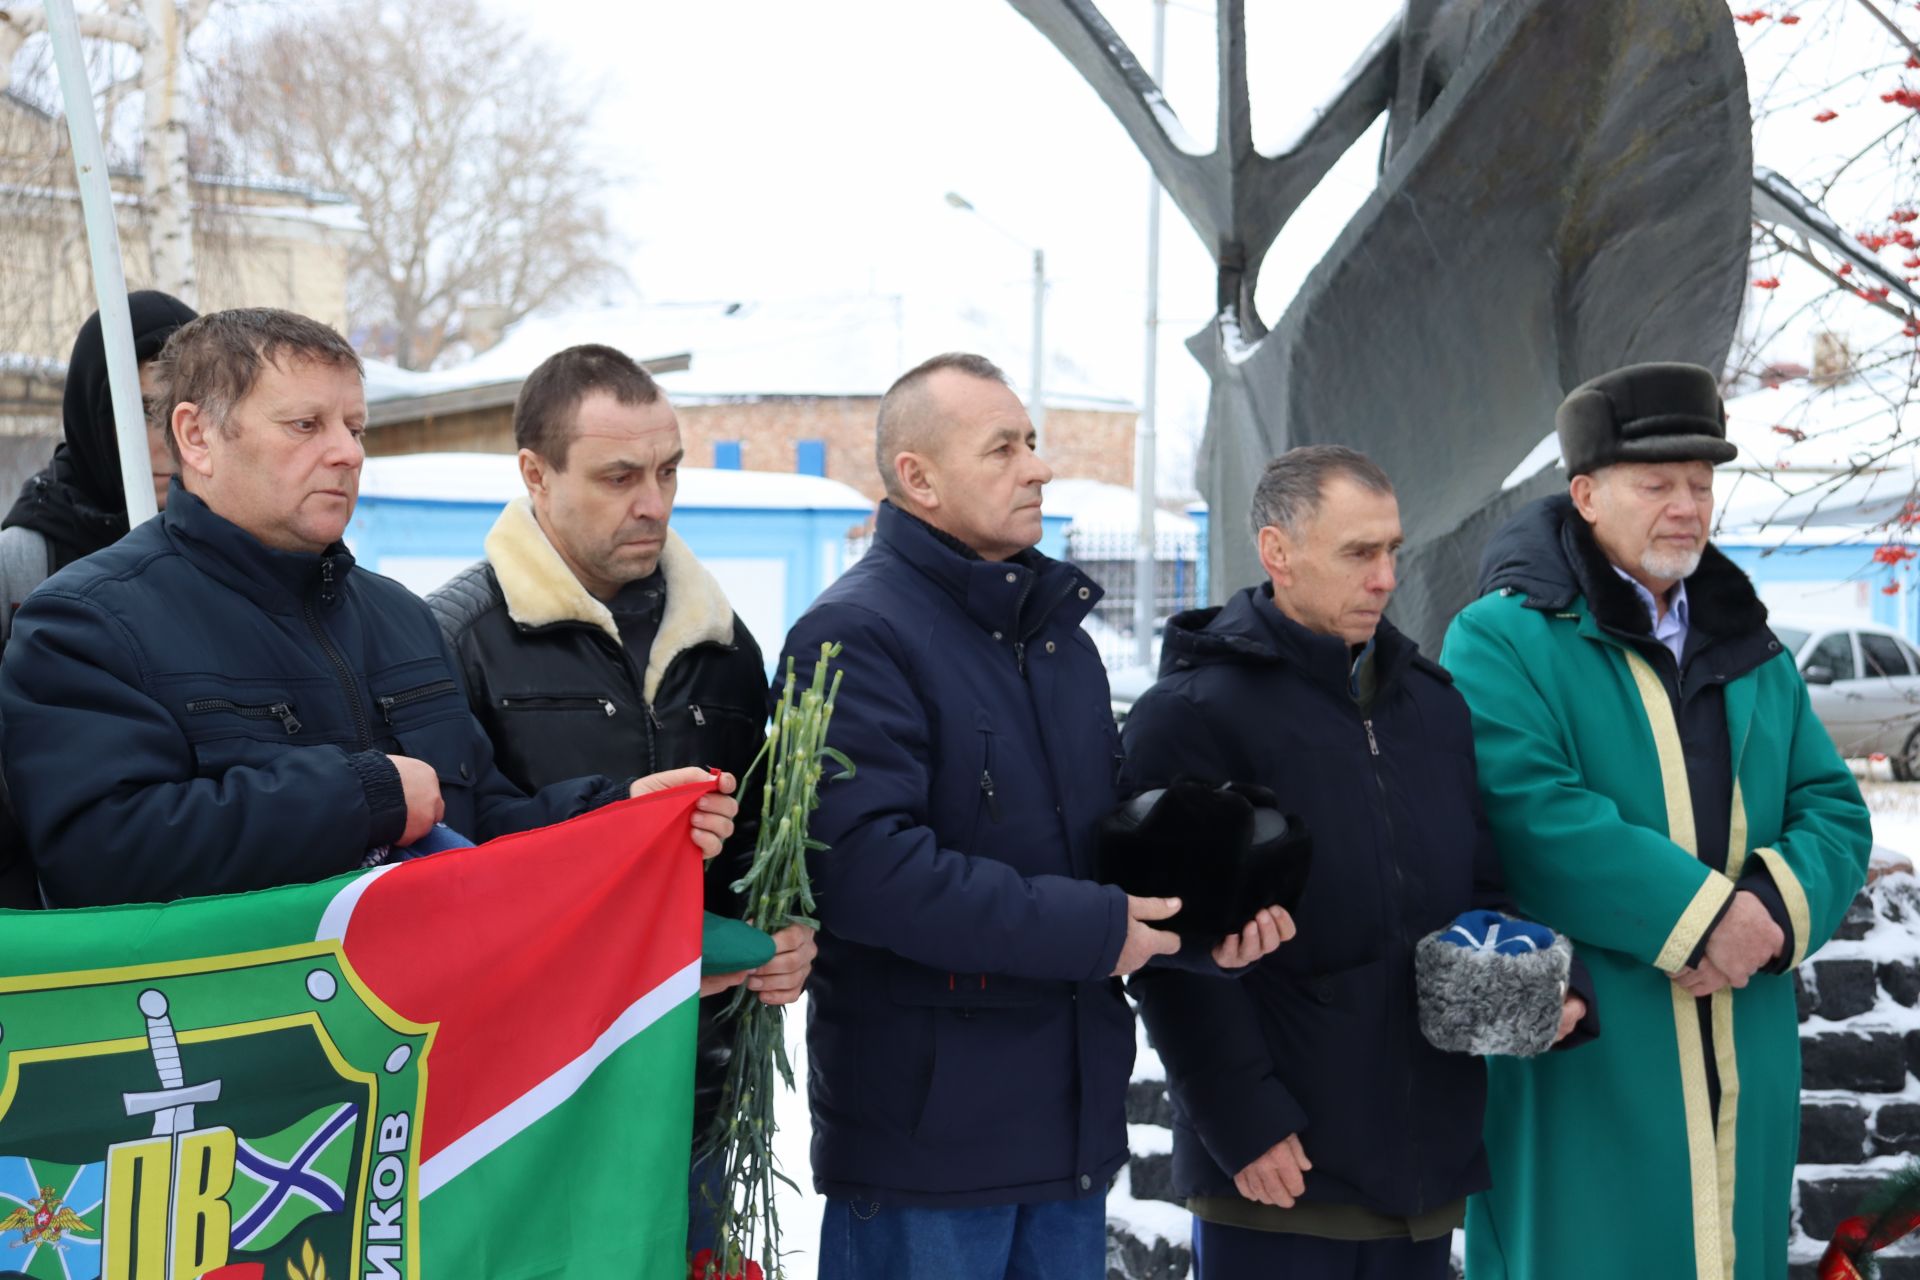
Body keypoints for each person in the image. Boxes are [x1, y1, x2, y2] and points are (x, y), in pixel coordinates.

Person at [779, 352, 1290, 1280]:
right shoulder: (856, 633)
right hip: (926, 1152)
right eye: (1003, 448)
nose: (1038, 467)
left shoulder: (1055, 639)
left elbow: (1090, 859)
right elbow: (863, 871)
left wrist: (1193, 935)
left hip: (1067, 1136)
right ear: (918, 478)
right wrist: (1101, 931)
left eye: (1034, 443)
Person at [0, 308, 736, 910]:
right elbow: (101, 855)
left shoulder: (398, 618)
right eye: (305, 425)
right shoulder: (87, 623)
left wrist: (617, 817)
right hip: (226, 1067)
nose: (347, 454)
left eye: (355, 428)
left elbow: (480, 827)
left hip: (409, 1064)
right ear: (196, 437)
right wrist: (362, 795)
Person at [1440, 362, 1873, 1279]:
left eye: (1701, 484)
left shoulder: (1749, 644)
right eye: (1658, 484)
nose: (1687, 506)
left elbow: (1831, 806)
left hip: (1742, 1032)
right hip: (1591, 1039)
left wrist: (1766, 911)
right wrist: (1708, 919)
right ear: (1587, 494)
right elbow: (1531, 811)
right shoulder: (1502, 634)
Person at [1120, 445, 1592, 1280]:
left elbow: (1481, 888)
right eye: (1358, 553)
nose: (1384, 578)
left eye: (1392, 551)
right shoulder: (1190, 717)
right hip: (1279, 1169)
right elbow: (1165, 954)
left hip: (1424, 1163)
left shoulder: (1435, 709)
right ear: (1278, 553)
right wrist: (1244, 1119)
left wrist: (1541, 989)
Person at [427, 343, 811, 1256]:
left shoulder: (724, 644)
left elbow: (754, 844)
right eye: (619, 475)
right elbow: (444, 865)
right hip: (527, 1104)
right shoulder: (450, 639)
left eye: (668, 470)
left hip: (697, 1101)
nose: (655, 501)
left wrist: (790, 933)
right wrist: (613, 824)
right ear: (536, 473)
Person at [0, 290, 198, 642]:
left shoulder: (241, 550)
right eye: (143, 411)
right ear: (91, 409)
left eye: (191, 414)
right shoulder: (22, 564)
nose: (172, 443)